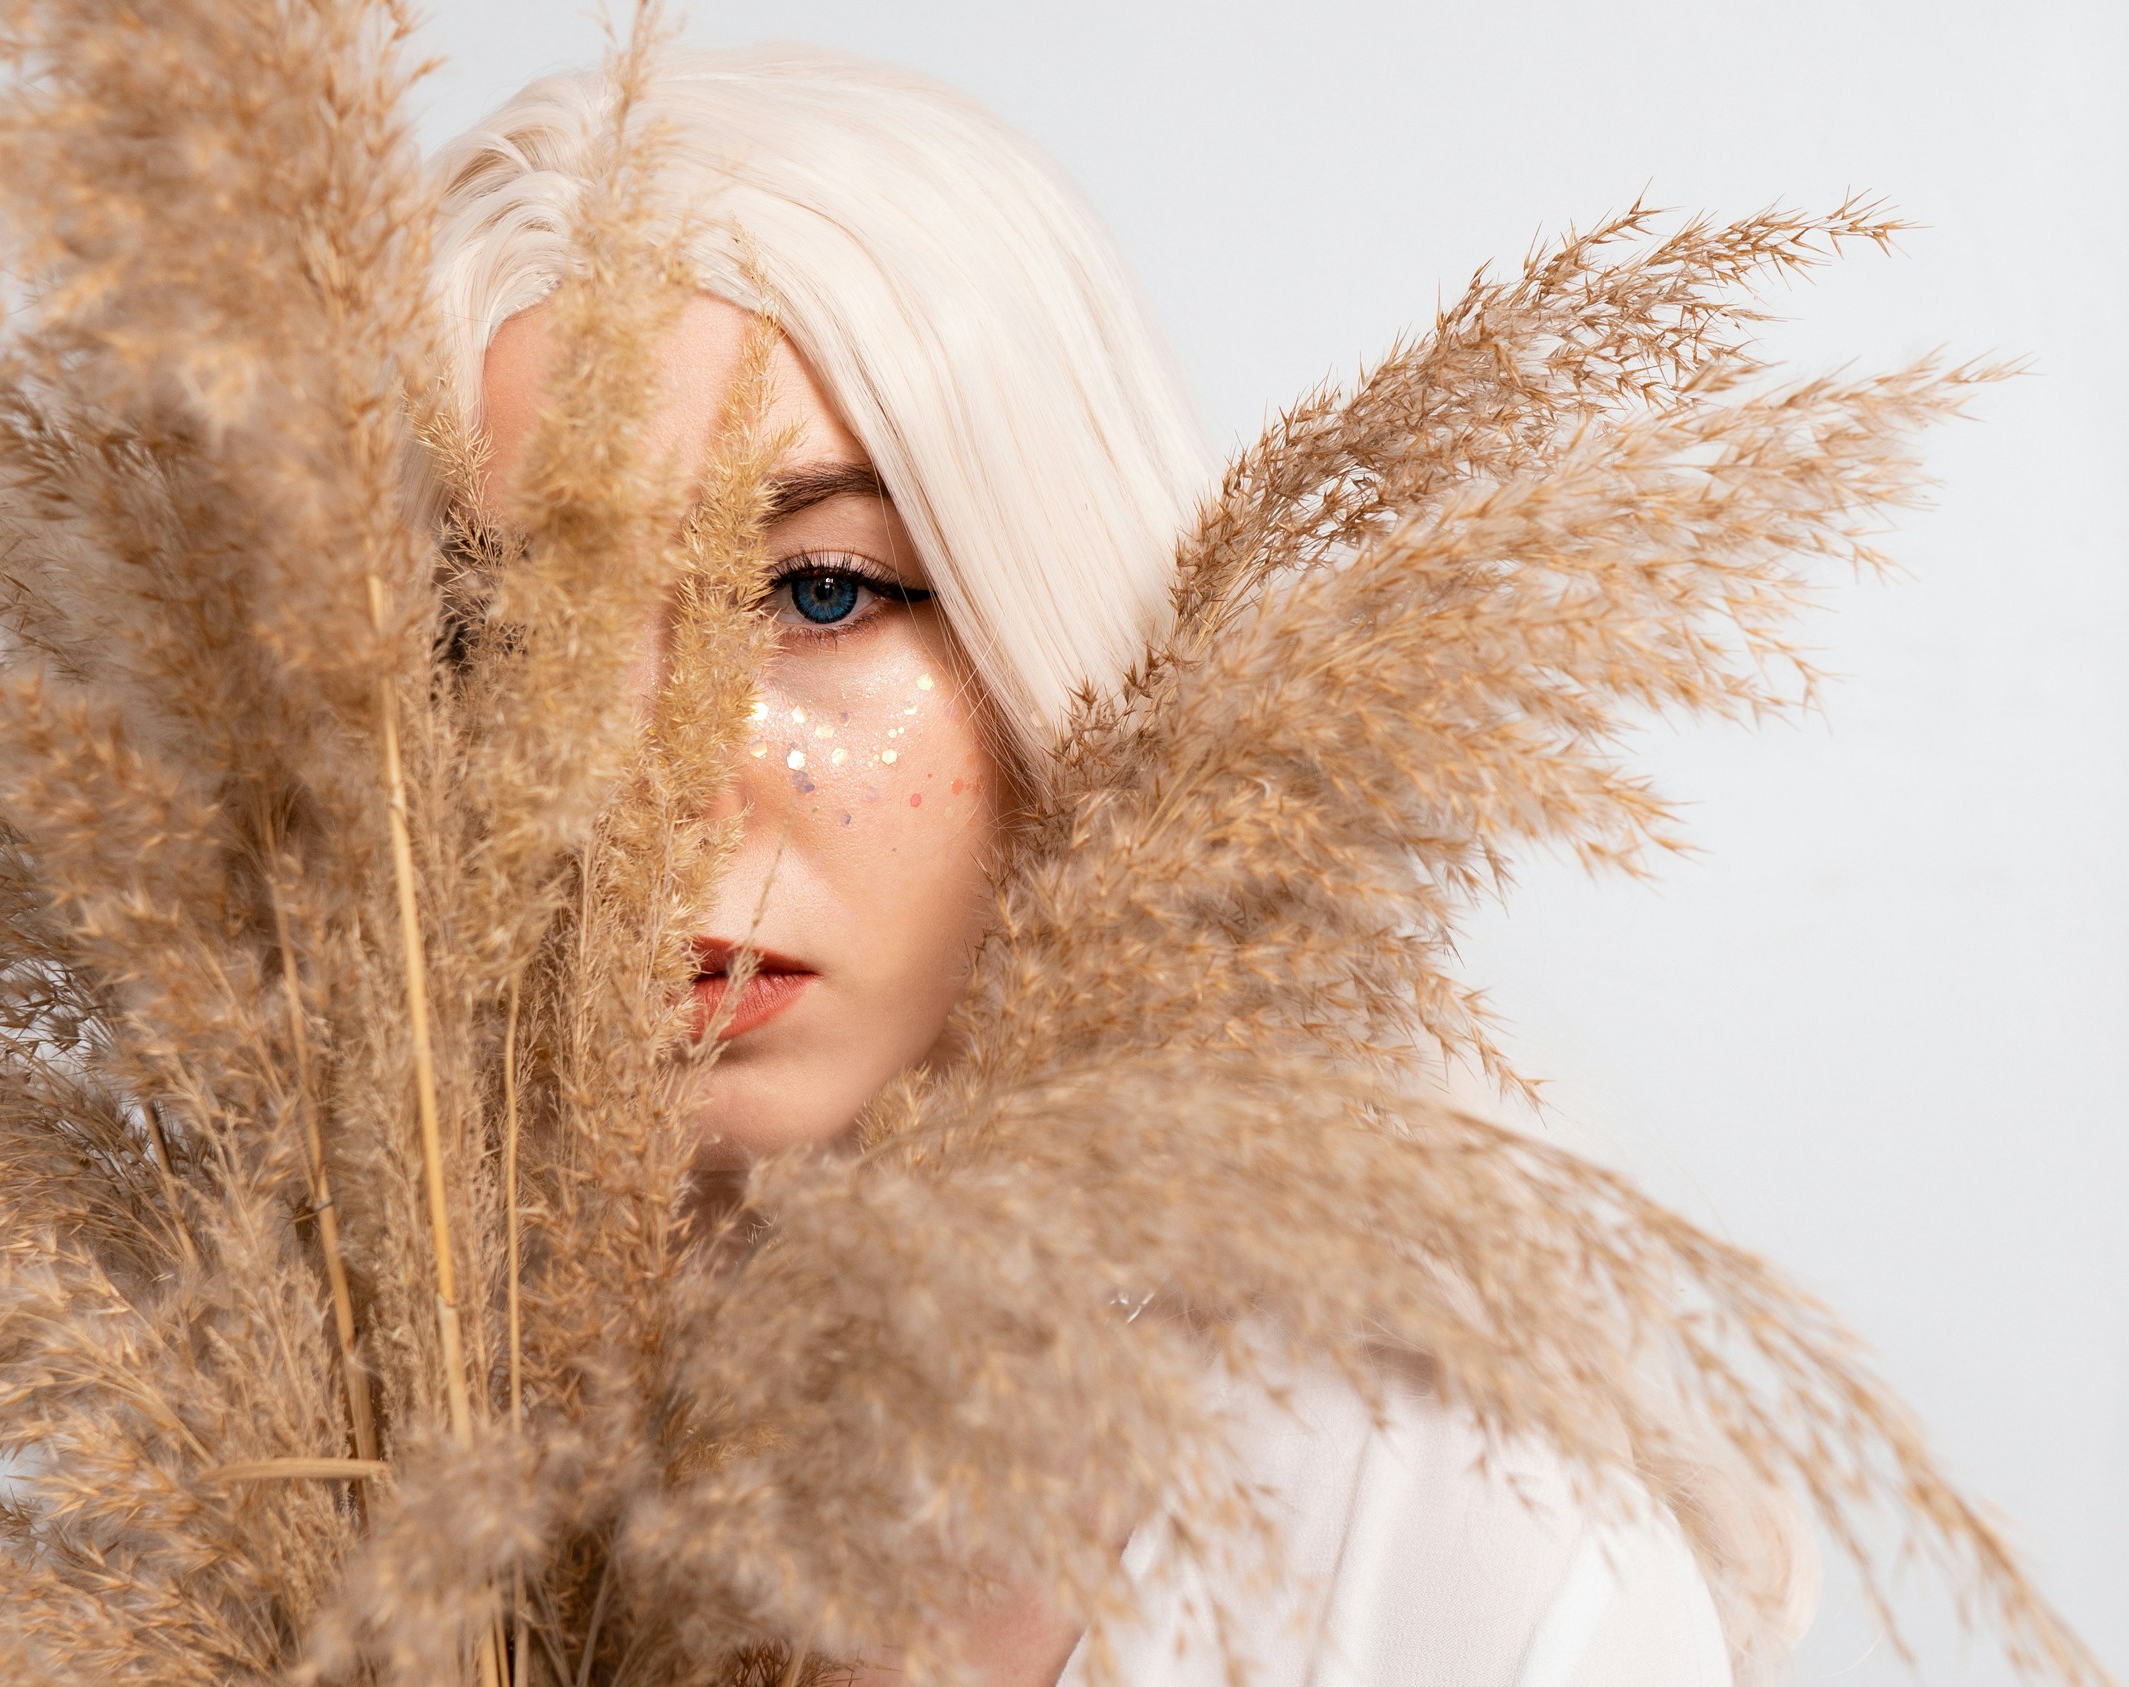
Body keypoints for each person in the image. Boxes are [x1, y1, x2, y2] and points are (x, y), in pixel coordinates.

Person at [432, 44, 1787, 1686]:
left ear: (1064, 644)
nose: (650, 796)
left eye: (819, 593)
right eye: (522, 640)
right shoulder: (318, 1456)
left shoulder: (1440, 1540)